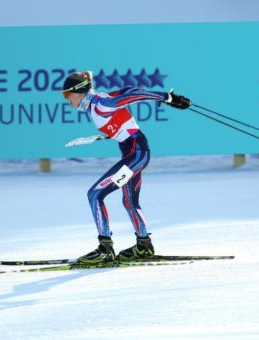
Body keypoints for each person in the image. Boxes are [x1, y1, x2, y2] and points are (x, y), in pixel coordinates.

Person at [61, 71, 191, 264]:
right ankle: (144, 246)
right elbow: (129, 90)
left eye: (67, 95)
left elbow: (132, 96)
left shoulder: (100, 105)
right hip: (135, 153)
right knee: (130, 201)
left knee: (95, 195)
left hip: (135, 154)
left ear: (78, 91)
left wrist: (166, 97)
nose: (67, 100)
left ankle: (105, 249)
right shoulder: (97, 101)